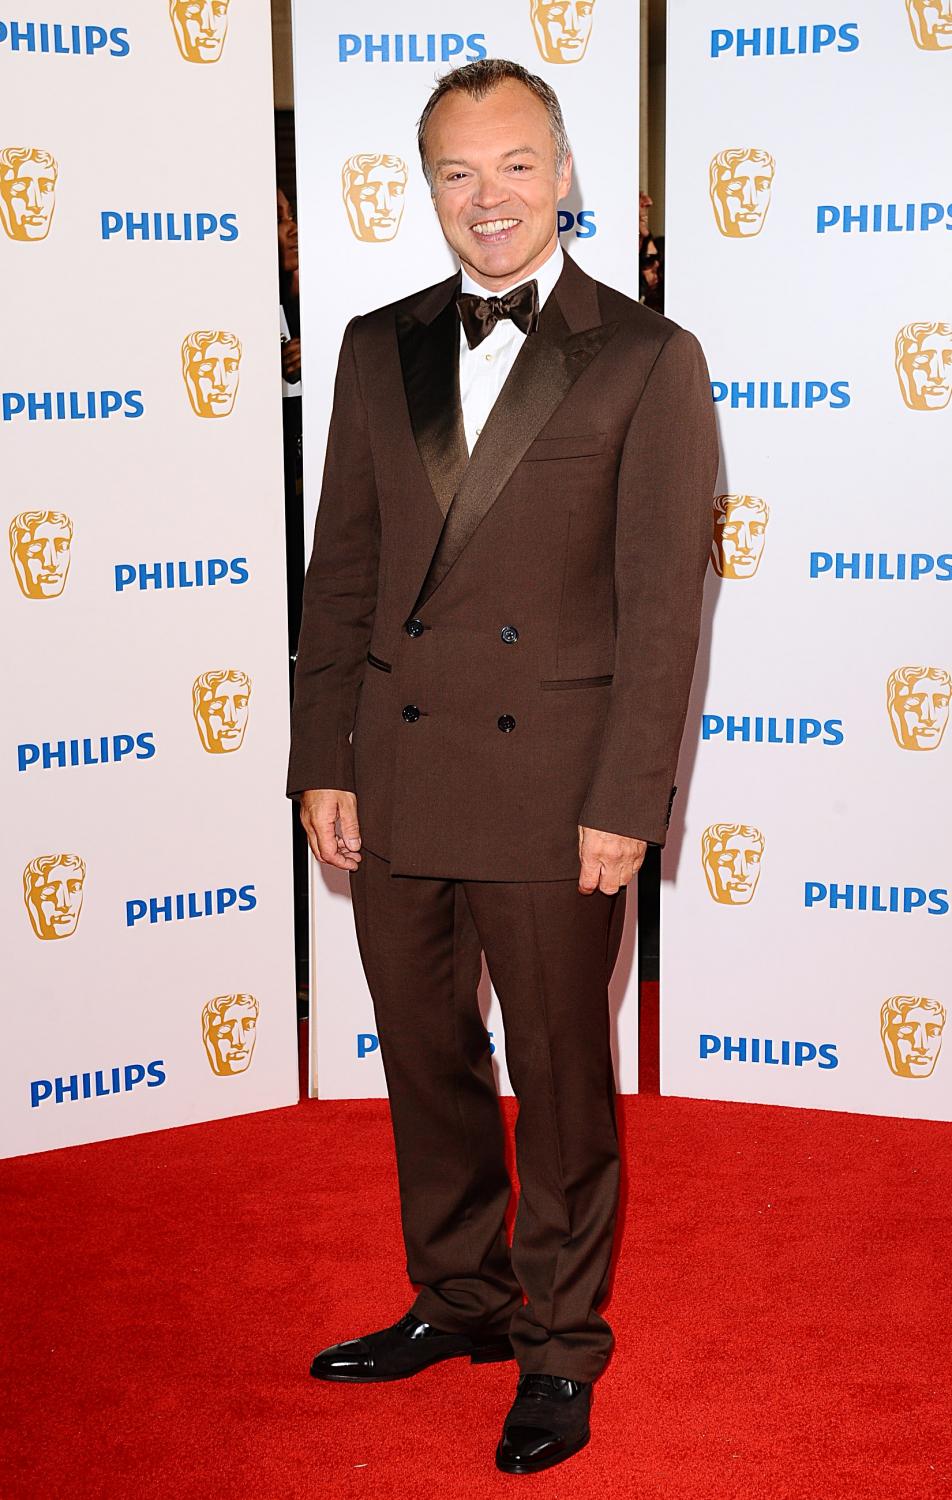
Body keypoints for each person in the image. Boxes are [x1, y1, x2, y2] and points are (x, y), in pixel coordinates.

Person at [288, 58, 717, 1475]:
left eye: (517, 165)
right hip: (400, 777)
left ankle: (560, 1346)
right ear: (427, 188)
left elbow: (661, 611)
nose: (490, 199)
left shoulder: (648, 357)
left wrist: (625, 802)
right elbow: (343, 571)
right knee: (426, 1064)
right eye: (459, 173)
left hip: (556, 794)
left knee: (561, 1081)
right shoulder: (376, 345)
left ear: (565, 172)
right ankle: (460, 1298)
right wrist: (323, 755)